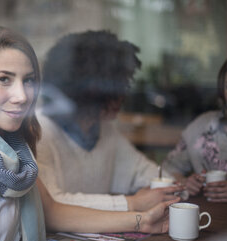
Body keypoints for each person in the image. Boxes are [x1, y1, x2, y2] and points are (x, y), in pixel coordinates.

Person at [0, 25, 179, 241]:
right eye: (4, 79)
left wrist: (141, 221)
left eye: (29, 80)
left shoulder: (12, 151)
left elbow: (53, 212)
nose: (22, 96)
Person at [36, 30, 182, 212]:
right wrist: (132, 203)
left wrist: (176, 186)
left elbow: (143, 171)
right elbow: (51, 202)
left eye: (123, 86)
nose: (121, 97)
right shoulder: (40, 132)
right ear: (82, 92)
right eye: (109, 91)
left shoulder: (105, 129)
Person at [162, 53, 227, 202]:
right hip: (207, 219)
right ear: (222, 91)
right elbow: (166, 170)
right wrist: (184, 183)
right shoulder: (201, 128)